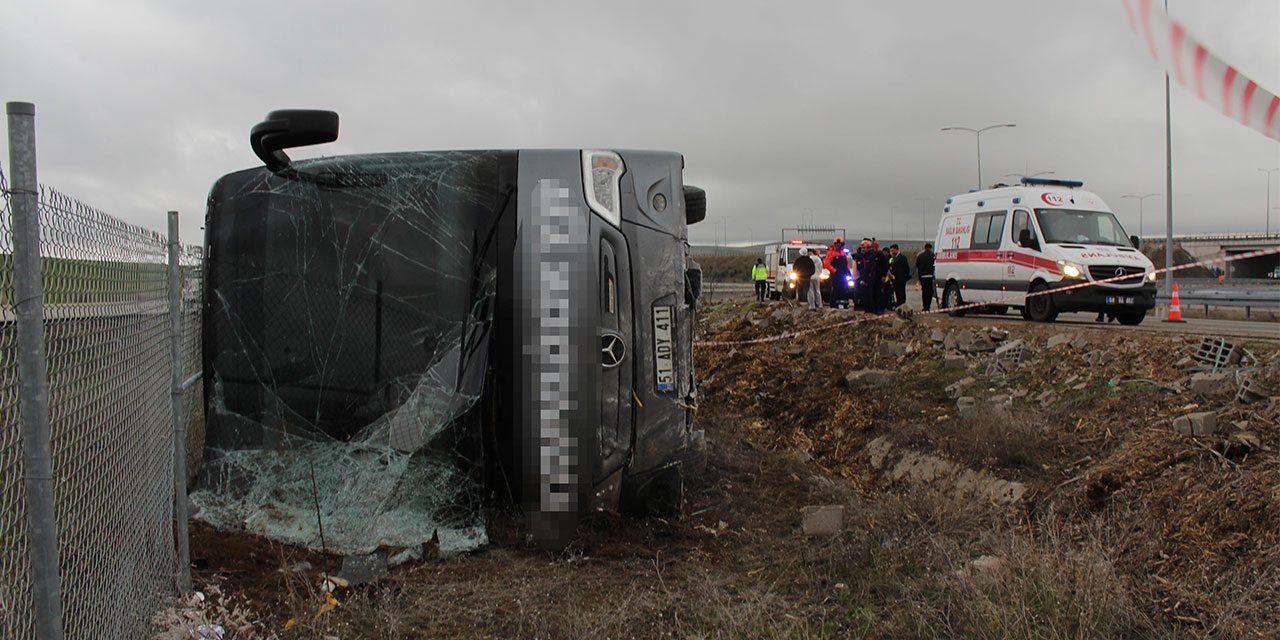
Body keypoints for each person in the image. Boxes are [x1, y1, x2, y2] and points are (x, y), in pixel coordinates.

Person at [823, 237, 853, 308]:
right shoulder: (831, 253)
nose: (839, 246)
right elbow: (826, 264)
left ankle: (845, 303)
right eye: (837, 244)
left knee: (845, 289)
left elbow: (847, 264)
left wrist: (848, 272)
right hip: (836, 276)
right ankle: (833, 305)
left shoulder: (843, 253)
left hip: (844, 275)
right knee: (835, 290)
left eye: (840, 244)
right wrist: (835, 271)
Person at [888, 244, 911, 308]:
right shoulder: (893, 258)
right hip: (895, 278)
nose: (892, 252)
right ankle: (898, 304)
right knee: (897, 292)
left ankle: (902, 304)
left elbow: (906, 268)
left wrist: (905, 276)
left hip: (901, 278)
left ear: (896, 249)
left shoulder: (902, 257)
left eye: (892, 250)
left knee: (901, 292)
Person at [915, 242, 936, 311]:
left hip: (922, 276)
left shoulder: (920, 256)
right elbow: (935, 264)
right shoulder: (933, 255)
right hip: (930, 276)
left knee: (924, 291)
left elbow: (917, 265)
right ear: (930, 248)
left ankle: (924, 306)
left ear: (925, 248)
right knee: (929, 292)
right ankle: (928, 306)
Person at [878, 247, 893, 312]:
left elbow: (888, 267)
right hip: (886, 277)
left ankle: (888, 305)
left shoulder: (889, 258)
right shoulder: (885, 258)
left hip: (888, 278)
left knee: (888, 293)